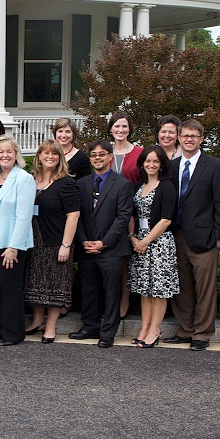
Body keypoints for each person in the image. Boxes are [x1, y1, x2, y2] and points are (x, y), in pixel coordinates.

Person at [165, 119, 220, 351]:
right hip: (176, 235)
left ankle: (202, 333)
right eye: (185, 135)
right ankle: (185, 329)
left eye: (194, 136)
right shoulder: (171, 167)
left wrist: (219, 237)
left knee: (205, 288)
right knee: (181, 286)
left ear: (201, 139)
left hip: (205, 238)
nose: (189, 139)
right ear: (179, 139)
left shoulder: (215, 166)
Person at [70, 140, 133, 348]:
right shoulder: (82, 184)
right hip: (86, 246)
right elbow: (76, 216)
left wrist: (103, 243)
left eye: (102, 154)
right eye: (94, 155)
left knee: (111, 292)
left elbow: (123, 218)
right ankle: (89, 326)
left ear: (110, 157)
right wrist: (83, 241)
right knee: (89, 289)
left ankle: (108, 332)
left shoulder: (123, 184)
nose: (98, 158)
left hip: (111, 249)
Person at [23, 140, 80, 343]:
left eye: (54, 154)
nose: (50, 157)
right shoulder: (31, 180)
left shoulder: (67, 183)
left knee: (56, 285)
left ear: (60, 158)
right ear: (38, 156)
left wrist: (66, 245)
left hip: (56, 241)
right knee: (36, 282)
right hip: (34, 241)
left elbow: (73, 216)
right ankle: (37, 320)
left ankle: (51, 325)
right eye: (45, 153)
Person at [0, 136, 36, 346]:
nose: (5, 156)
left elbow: (24, 216)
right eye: (1, 152)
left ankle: (13, 333)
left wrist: (13, 247)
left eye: (9, 152)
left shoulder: (23, 179)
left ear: (16, 155)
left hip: (10, 244)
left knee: (10, 290)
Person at [127, 145, 178, 348]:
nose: (151, 164)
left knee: (158, 290)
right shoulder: (138, 187)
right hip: (139, 241)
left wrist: (146, 241)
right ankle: (144, 328)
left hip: (159, 243)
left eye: (155, 161)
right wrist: (133, 238)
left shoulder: (167, 186)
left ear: (162, 164)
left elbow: (166, 219)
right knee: (144, 289)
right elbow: (132, 215)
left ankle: (155, 330)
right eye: (147, 161)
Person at [107, 112, 141, 184]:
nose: (121, 130)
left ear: (129, 129)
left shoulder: (139, 153)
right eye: (117, 126)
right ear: (110, 129)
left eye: (124, 126)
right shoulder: (105, 152)